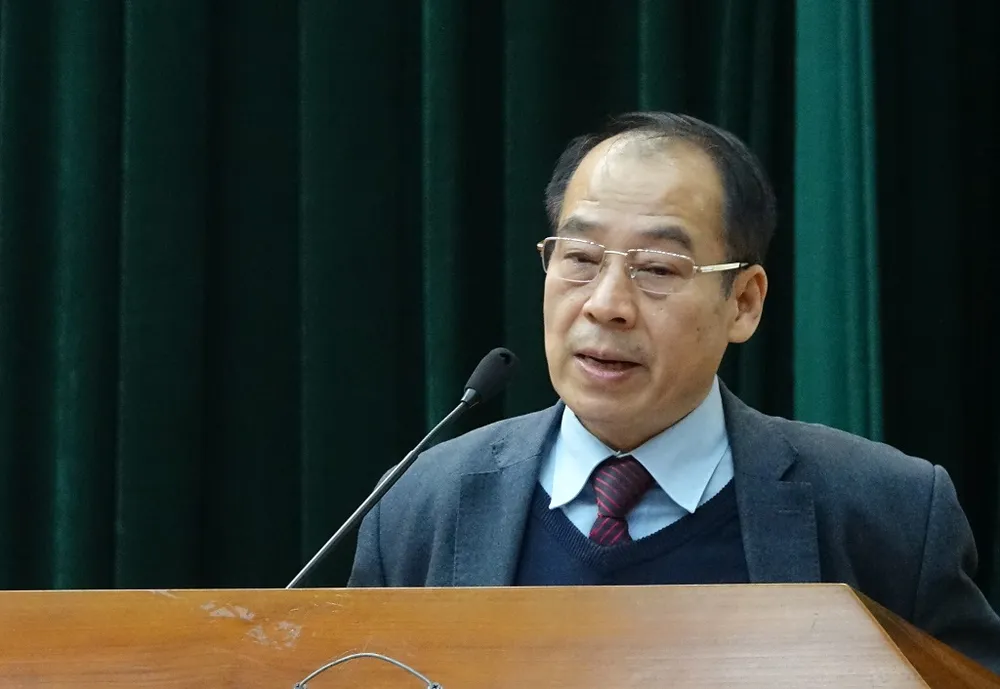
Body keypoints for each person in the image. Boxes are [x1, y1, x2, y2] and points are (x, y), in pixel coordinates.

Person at [347, 112, 1000, 672]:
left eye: (657, 268)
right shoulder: (418, 505)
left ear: (743, 302)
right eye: (580, 258)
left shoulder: (888, 514)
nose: (606, 305)